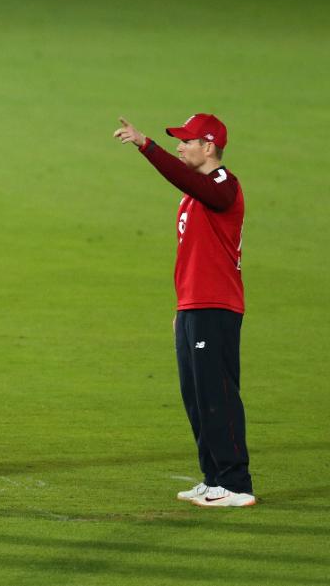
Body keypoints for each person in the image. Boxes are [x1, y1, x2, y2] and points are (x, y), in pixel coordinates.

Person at [114, 113, 255, 507]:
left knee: (218, 393)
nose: (180, 145)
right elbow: (191, 254)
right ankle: (214, 479)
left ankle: (236, 484)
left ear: (209, 146)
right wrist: (182, 307)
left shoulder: (224, 185)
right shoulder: (194, 196)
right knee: (195, 395)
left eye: (187, 140)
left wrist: (147, 146)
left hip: (217, 304)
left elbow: (188, 179)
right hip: (194, 306)